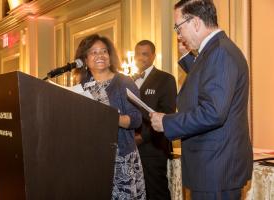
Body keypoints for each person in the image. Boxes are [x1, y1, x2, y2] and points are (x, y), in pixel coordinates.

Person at [150, 0, 253, 199]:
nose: (178, 35)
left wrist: (166, 122)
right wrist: (188, 58)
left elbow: (213, 112)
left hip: (216, 167)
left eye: (178, 27)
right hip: (213, 165)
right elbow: (206, 81)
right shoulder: (215, 50)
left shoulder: (220, 52)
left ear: (195, 22)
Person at [74, 34, 146, 199]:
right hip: (91, 157)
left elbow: (136, 118)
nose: (100, 55)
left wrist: (110, 118)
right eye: (93, 52)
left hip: (120, 157)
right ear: (84, 59)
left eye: (104, 51)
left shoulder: (123, 82)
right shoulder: (81, 87)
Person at [133, 40, 177, 200]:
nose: (140, 57)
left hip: (153, 149)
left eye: (144, 54)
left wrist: (141, 138)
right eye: (137, 54)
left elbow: (167, 114)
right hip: (131, 149)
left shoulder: (165, 80)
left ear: (153, 56)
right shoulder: (129, 80)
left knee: (156, 193)